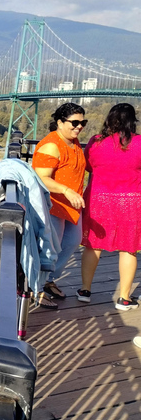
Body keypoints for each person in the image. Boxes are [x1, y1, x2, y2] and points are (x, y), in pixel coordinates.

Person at [78, 103, 141, 311]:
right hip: (130, 201)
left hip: (98, 199)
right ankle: (123, 298)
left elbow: (88, 166)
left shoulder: (96, 142)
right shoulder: (140, 143)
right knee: (128, 248)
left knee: (93, 245)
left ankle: (85, 291)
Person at [31, 102, 87, 309]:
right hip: (52, 205)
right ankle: (36, 288)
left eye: (82, 123)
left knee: (72, 242)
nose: (79, 127)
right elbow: (41, 177)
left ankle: (48, 280)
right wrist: (66, 190)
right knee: (48, 249)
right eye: (74, 122)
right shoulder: (51, 145)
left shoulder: (74, 142)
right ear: (60, 122)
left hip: (71, 206)